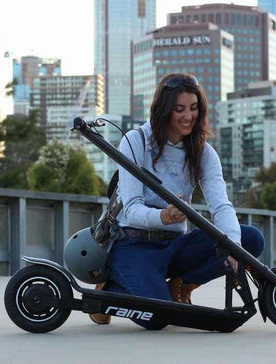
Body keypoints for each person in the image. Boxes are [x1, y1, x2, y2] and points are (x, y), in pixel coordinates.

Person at [90, 73, 265, 329]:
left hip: (174, 245)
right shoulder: (136, 141)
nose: (188, 116)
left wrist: (235, 250)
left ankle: (181, 285)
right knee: (157, 320)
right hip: (134, 244)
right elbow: (133, 207)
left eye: (194, 108)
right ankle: (111, 288)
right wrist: (164, 216)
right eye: (179, 109)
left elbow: (221, 206)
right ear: (164, 110)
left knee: (250, 239)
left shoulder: (203, 151)